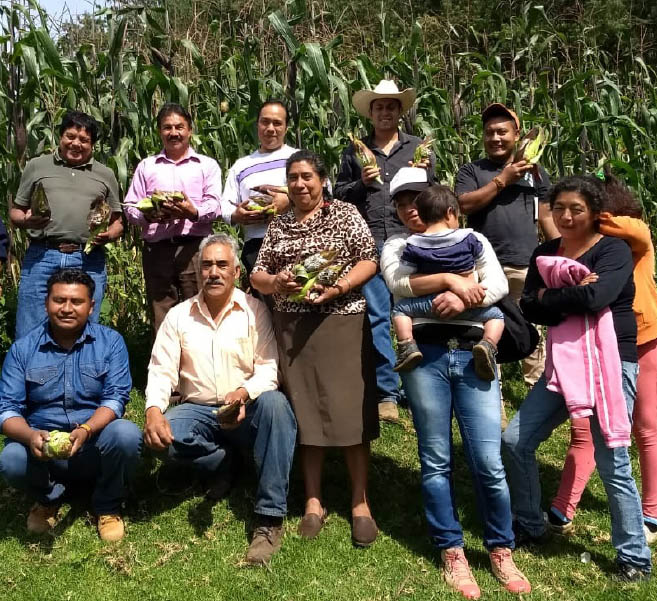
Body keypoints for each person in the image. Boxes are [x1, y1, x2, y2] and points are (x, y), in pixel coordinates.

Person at [381, 172, 529, 599]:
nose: (411, 209)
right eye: (404, 202)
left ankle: (501, 548)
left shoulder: (471, 238)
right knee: (436, 460)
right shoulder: (397, 245)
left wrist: (465, 296)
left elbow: (498, 286)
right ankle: (452, 550)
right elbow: (396, 284)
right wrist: (451, 281)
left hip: (471, 356)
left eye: (417, 200)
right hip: (424, 358)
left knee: (488, 461)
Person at [502, 175, 652, 582]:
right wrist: (553, 298)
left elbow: (596, 298)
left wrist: (551, 297)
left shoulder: (613, 250)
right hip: (563, 363)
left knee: (612, 461)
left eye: (576, 209)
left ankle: (634, 556)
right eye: (559, 208)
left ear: (594, 212)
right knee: (515, 440)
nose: (566, 217)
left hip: (609, 365)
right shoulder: (545, 251)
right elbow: (531, 307)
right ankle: (530, 524)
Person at [143, 233, 297, 566]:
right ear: (197, 270)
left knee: (277, 407)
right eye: (207, 265)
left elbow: (270, 368)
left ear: (236, 272)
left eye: (222, 264)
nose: (213, 272)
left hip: (246, 407)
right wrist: (154, 410)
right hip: (199, 410)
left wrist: (242, 394)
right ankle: (223, 462)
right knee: (161, 438)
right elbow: (160, 370)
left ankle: (269, 516)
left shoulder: (254, 311)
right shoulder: (179, 316)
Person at [251, 150, 380, 547]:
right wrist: (276, 283)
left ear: (322, 180)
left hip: (341, 320)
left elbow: (368, 259)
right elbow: (257, 273)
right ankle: (312, 500)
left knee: (350, 411)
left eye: (307, 176)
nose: (300, 184)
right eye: (293, 177)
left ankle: (360, 503)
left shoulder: (343, 213)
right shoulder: (280, 223)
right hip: (293, 326)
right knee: (305, 413)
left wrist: (339, 287)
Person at [547, 172, 657, 546]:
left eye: (582, 209)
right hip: (597, 344)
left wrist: (595, 217)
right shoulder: (586, 247)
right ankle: (563, 506)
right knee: (585, 430)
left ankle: (652, 511)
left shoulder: (632, 238)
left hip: (643, 339)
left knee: (645, 427)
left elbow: (638, 232)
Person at [0, 268, 141, 542]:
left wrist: (86, 430)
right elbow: (6, 410)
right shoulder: (22, 349)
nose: (66, 308)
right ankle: (48, 498)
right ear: (46, 303)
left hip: (93, 447)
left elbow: (115, 399)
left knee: (125, 434)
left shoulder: (111, 343)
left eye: (76, 302)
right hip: (44, 453)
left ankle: (107, 505)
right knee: (11, 458)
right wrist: (31, 437)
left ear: (91, 307)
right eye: (59, 300)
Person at [335, 79, 435, 422]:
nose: (385, 112)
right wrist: (361, 183)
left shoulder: (418, 148)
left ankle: (418, 384)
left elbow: (432, 198)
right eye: (379, 107)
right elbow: (339, 195)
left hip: (410, 240)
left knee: (414, 311)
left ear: (399, 111)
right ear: (371, 113)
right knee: (378, 316)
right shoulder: (354, 151)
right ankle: (387, 393)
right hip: (368, 240)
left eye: (391, 106)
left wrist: (423, 177)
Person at [456, 103, 559, 388]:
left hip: (527, 262)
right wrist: (503, 180)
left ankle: (537, 387)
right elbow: (463, 204)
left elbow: (547, 214)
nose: (495, 138)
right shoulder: (472, 171)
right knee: (489, 325)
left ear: (517, 135)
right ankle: (492, 388)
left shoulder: (535, 172)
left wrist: (560, 252)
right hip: (486, 265)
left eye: (502, 132)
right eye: (489, 133)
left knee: (532, 325)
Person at [10, 110, 123, 338]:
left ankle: (78, 373)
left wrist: (108, 235)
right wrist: (27, 220)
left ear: (92, 145)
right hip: (42, 255)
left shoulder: (105, 174)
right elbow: (15, 212)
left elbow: (118, 221)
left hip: (88, 258)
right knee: (30, 328)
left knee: (85, 329)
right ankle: (31, 372)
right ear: (60, 136)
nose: (76, 144)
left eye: (84, 140)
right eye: (70, 136)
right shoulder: (37, 166)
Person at [123, 103, 223, 331]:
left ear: (190, 130)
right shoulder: (146, 166)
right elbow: (130, 206)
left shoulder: (206, 165)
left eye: (179, 127)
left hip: (195, 249)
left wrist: (193, 212)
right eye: (167, 128)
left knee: (200, 311)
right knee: (162, 314)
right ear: (159, 131)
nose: (174, 133)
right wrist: (149, 215)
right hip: (157, 250)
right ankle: (165, 366)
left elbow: (215, 204)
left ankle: (200, 365)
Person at [391, 184, 505, 378]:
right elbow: (486, 268)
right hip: (472, 308)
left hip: (427, 304)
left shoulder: (412, 244)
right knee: (496, 317)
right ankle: (488, 345)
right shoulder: (470, 237)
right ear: (451, 212)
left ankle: (407, 345)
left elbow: (402, 274)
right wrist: (458, 284)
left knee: (400, 310)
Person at [221, 100, 296, 278]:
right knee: (264, 303)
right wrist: (237, 214)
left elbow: (324, 193)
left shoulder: (298, 158)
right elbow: (225, 204)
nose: (270, 128)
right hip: (256, 244)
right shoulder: (241, 166)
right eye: (265, 122)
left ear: (286, 128)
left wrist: (290, 200)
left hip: (295, 238)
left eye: (277, 123)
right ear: (257, 125)